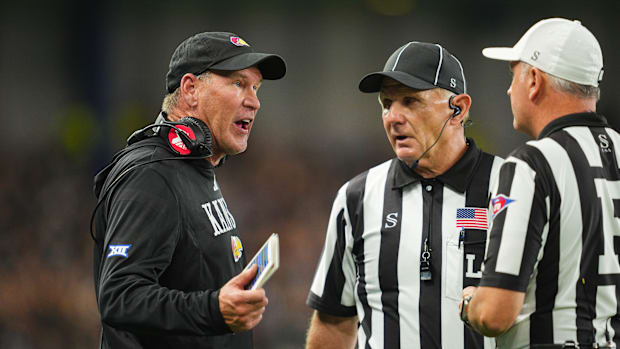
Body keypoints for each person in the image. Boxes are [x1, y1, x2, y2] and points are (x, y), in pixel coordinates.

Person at [91, 31, 286, 348]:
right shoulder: (152, 174)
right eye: (238, 83)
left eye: (255, 87)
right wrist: (214, 309)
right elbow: (119, 296)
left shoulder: (194, 167)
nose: (254, 101)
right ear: (191, 89)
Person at [305, 41, 502, 349]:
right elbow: (333, 320)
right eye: (386, 104)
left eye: (410, 101)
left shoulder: (513, 187)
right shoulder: (356, 198)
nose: (393, 117)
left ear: (458, 109)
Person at [459, 18, 619, 348]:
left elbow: (494, 313)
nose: (508, 89)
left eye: (513, 75)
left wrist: (469, 303)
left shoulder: (533, 164)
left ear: (533, 80)